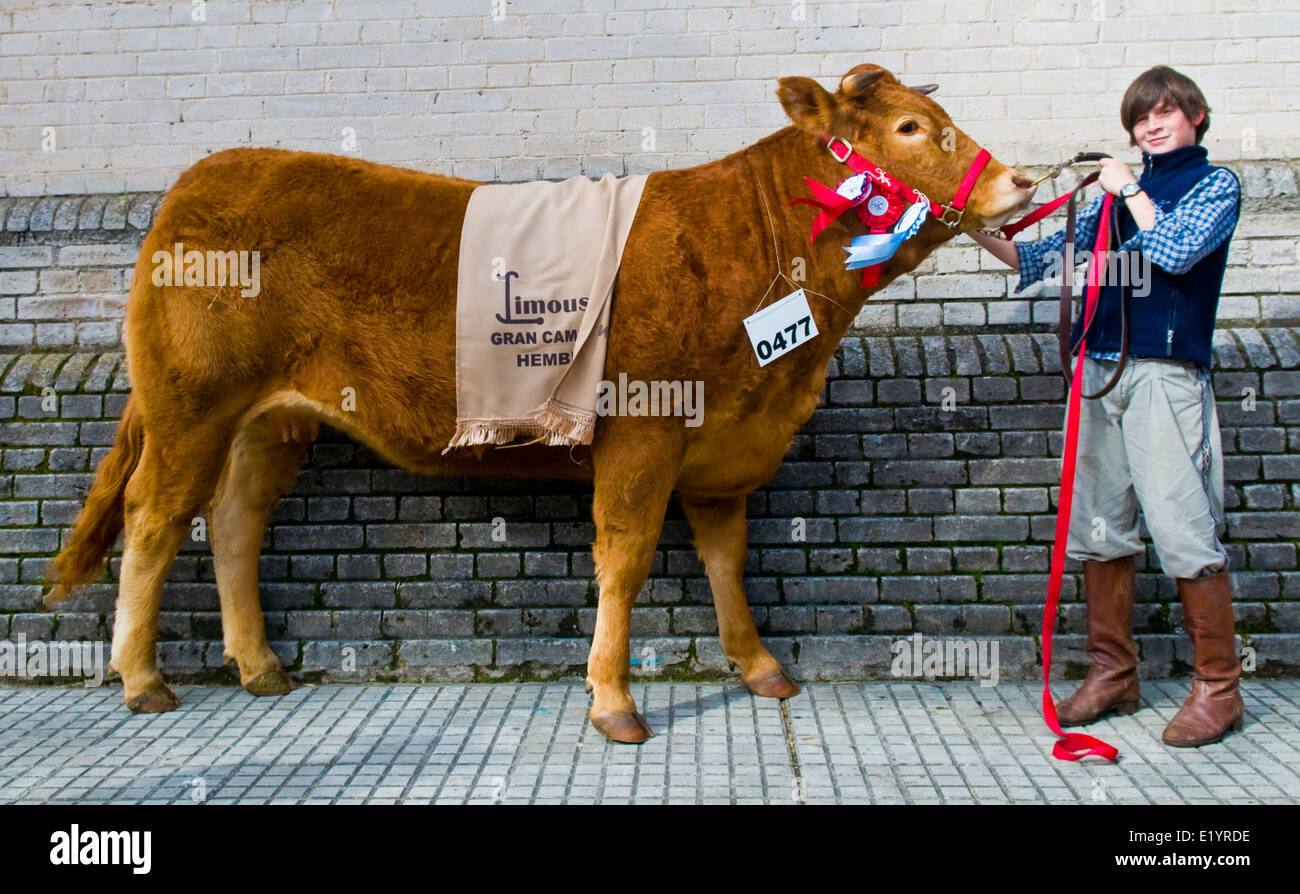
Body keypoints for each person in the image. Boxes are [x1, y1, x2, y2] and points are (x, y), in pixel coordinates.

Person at [970, 66, 1243, 747]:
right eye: (1140, 118)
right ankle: (1113, 674)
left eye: (1165, 113)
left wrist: (1131, 189)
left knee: (1184, 531)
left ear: (1197, 117)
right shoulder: (1110, 201)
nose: (1151, 125)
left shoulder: (1214, 185)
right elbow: (1036, 261)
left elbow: (1176, 253)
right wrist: (968, 223)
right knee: (1098, 529)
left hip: (1164, 377)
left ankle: (1219, 689)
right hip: (1098, 372)